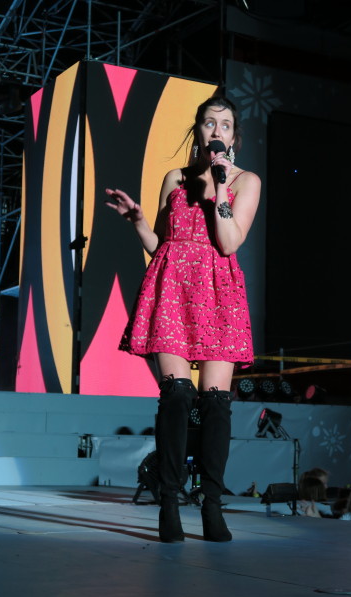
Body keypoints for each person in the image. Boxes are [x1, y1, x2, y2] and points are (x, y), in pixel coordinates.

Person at [105, 95, 261, 543]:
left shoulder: (246, 181)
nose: (217, 131)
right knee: (176, 395)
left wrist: (218, 189)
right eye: (209, 123)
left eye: (225, 125)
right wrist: (137, 220)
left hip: (218, 293)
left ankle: (212, 505)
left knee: (216, 403)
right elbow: (161, 242)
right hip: (173, 287)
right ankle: (169, 503)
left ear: (234, 136)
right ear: (198, 130)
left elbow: (229, 243)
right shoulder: (174, 177)